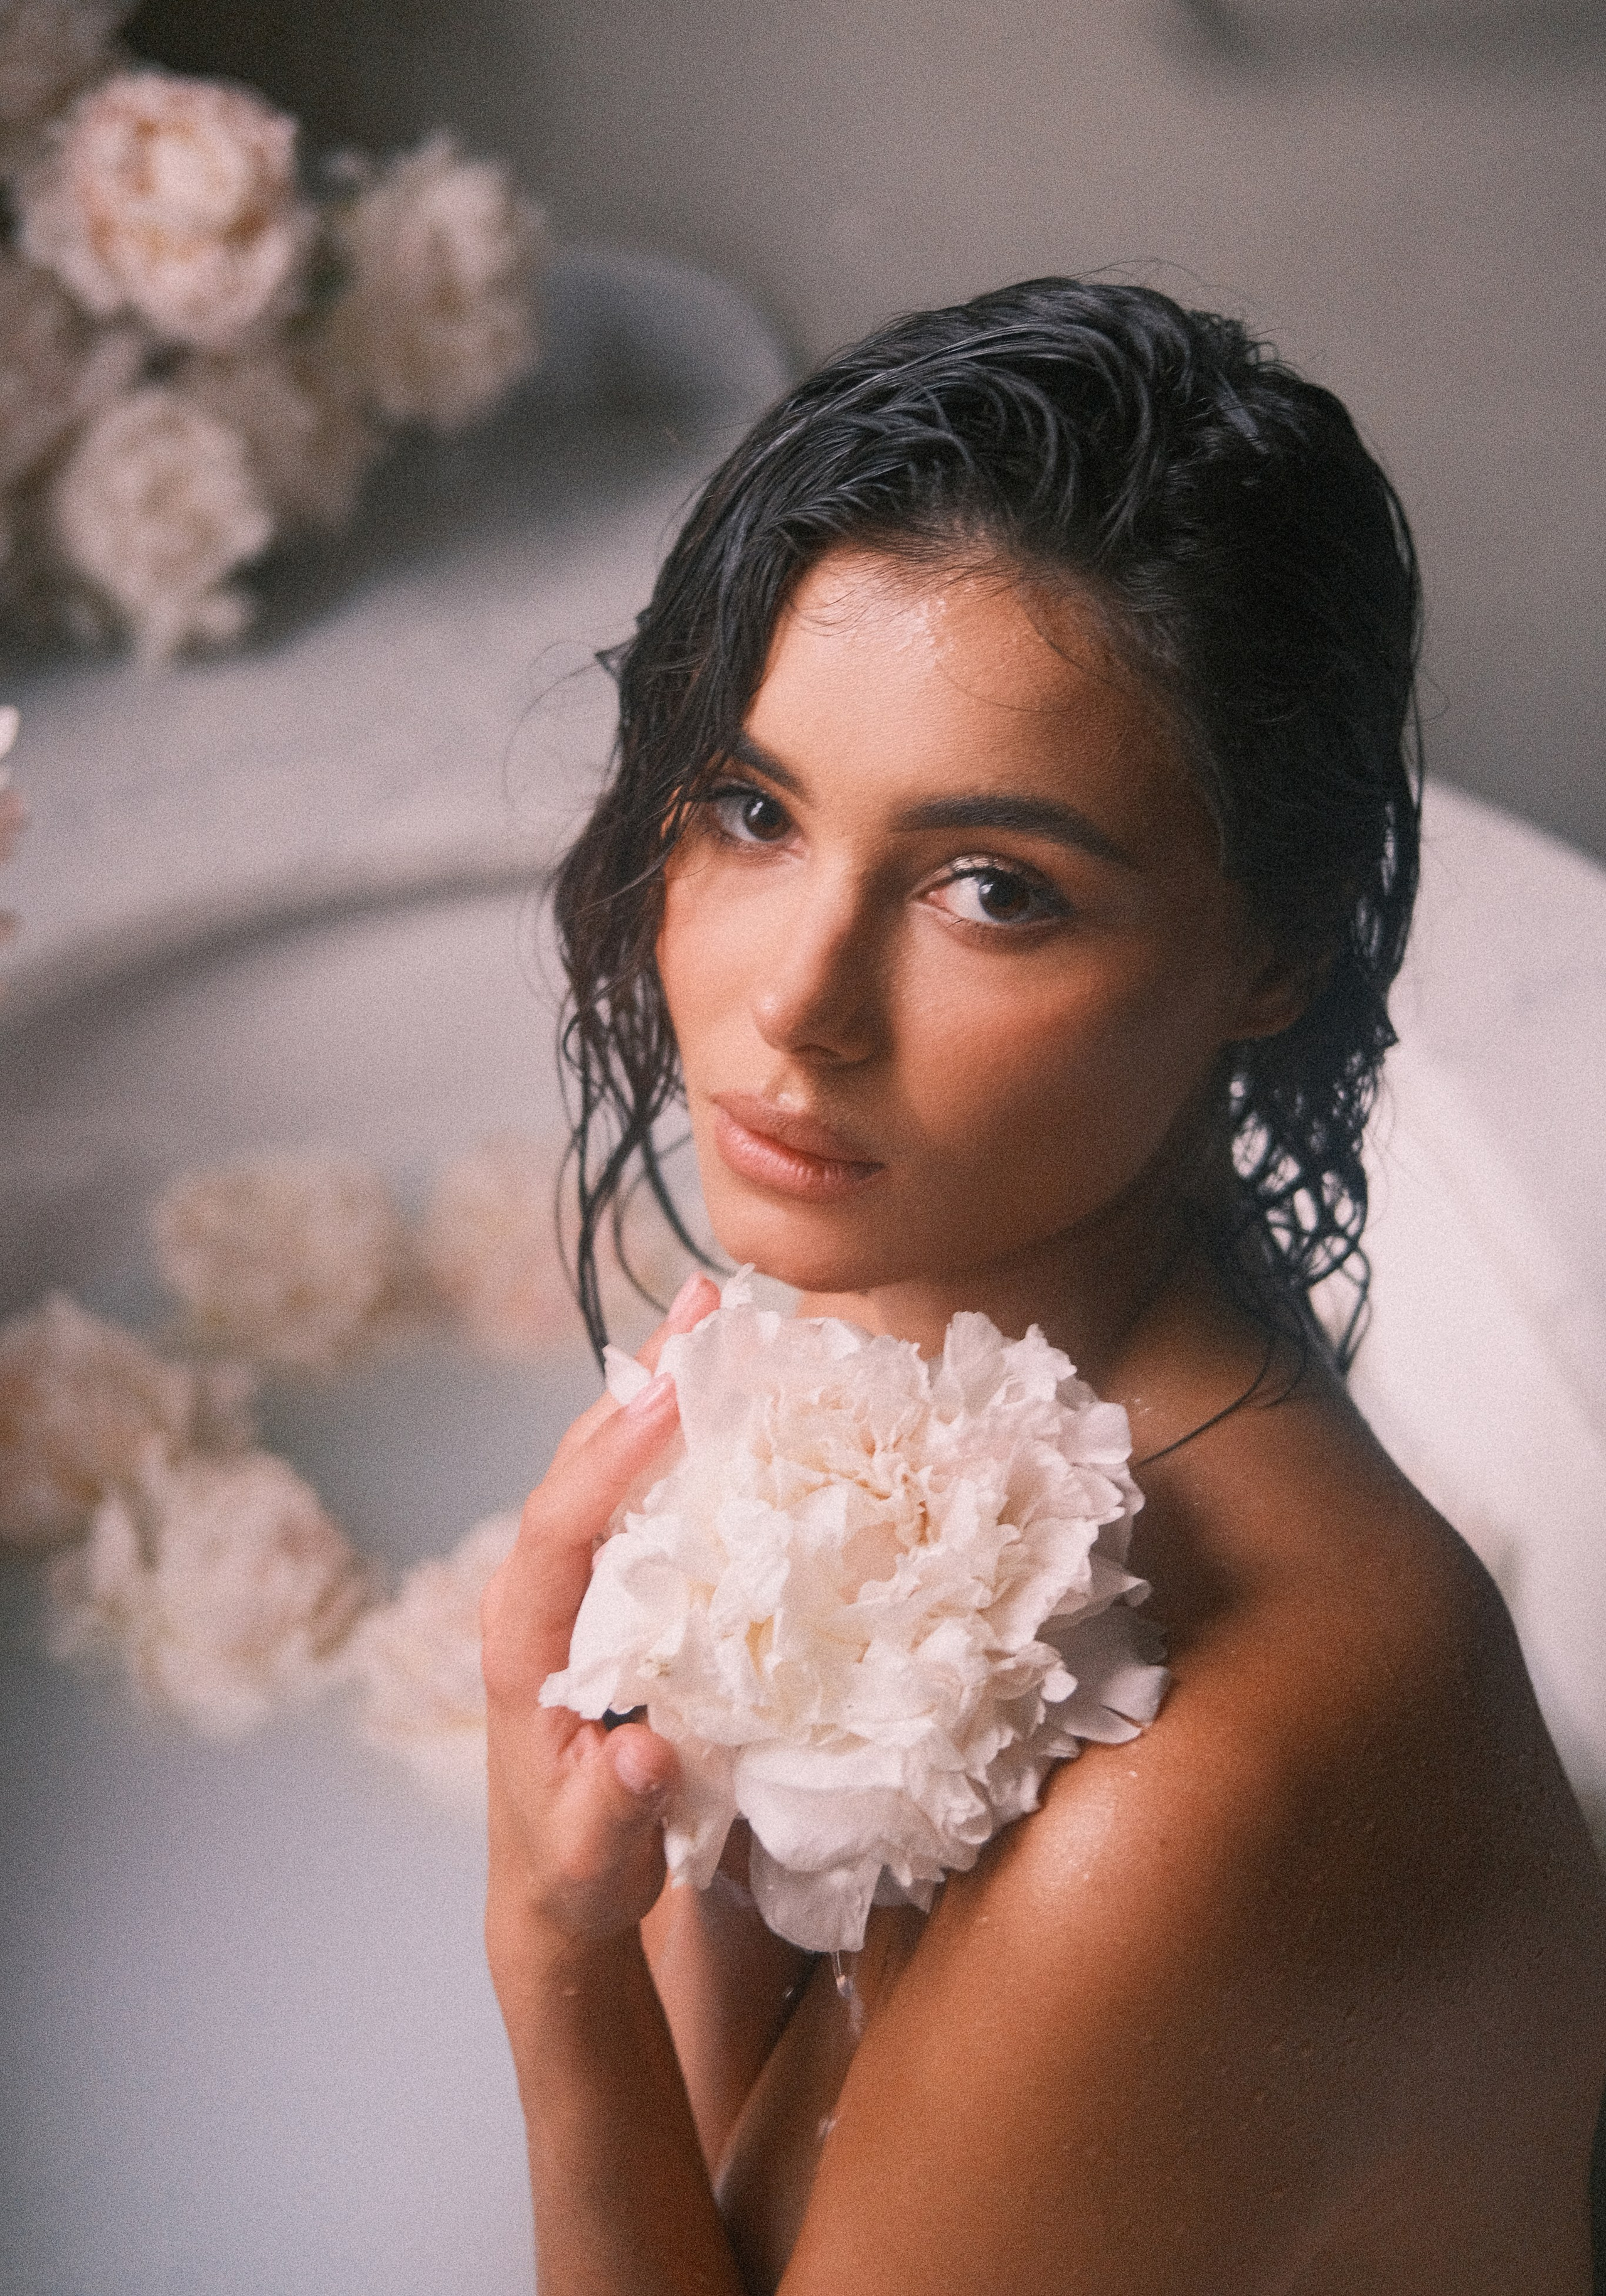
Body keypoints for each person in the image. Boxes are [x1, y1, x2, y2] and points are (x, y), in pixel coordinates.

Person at [479, 279, 1606, 2295]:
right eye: (752, 808)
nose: (795, 1005)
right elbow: (750, 2140)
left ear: (1275, 951)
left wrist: (550, 1958)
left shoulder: (1193, 1808)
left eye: (993, 887)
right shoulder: (948, 1288)